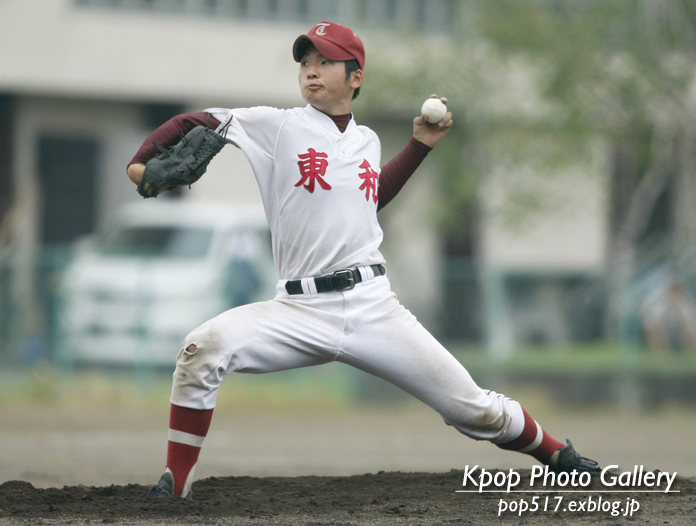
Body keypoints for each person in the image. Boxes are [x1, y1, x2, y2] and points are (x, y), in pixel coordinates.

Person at [127, 21, 601, 499]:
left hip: (373, 305)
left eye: (325, 62)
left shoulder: (366, 140)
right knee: (201, 349)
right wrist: (141, 160)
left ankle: (559, 456)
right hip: (297, 310)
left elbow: (367, 199)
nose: (311, 71)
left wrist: (419, 147)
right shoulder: (280, 127)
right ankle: (176, 487)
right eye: (306, 63)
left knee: (474, 411)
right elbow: (199, 122)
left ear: (355, 77)